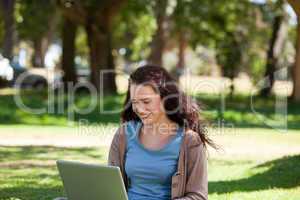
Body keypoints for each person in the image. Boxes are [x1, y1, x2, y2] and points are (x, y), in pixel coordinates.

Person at [108, 65, 216, 200]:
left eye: (146, 101)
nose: (139, 109)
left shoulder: (189, 140)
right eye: (134, 102)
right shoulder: (124, 134)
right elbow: (111, 186)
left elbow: (198, 196)